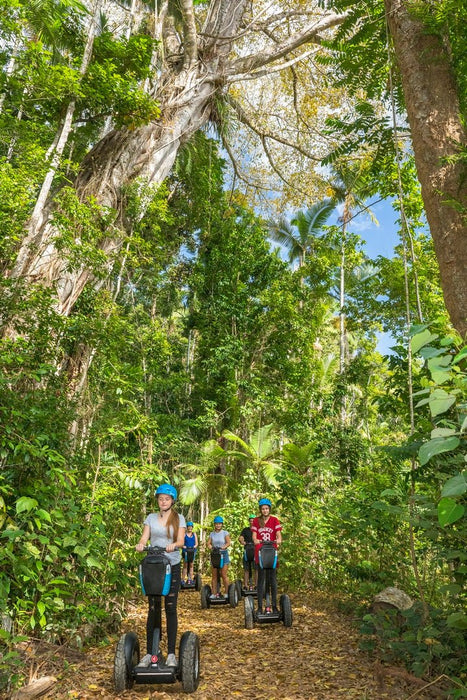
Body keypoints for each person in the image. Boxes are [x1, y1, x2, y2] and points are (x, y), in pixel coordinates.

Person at [135, 483, 186, 668]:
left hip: (171, 565)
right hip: (154, 566)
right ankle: (151, 652)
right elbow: (144, 537)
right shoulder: (150, 518)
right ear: (157, 500)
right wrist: (141, 544)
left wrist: (175, 545)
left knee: (170, 607)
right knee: (153, 608)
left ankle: (171, 653)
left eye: (167, 498)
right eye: (160, 498)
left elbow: (180, 540)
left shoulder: (179, 518)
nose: (163, 501)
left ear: (172, 501)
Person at [251, 498, 282, 614]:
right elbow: (254, 536)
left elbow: (279, 535)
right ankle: (259, 607)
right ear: (260, 510)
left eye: (267, 508)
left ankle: (274, 606)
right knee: (261, 580)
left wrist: (278, 540)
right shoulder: (256, 521)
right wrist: (256, 540)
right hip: (260, 552)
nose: (265, 510)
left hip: (271, 552)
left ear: (269, 509)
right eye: (263, 509)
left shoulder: (274, 520)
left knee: (272, 580)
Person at [207, 515, 231, 597]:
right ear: (214, 524)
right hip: (215, 555)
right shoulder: (212, 534)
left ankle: (227, 593)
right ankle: (214, 593)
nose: (218, 525)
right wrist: (211, 547)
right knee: (214, 575)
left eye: (219, 524)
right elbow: (208, 543)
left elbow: (228, 543)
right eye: (216, 524)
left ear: (222, 524)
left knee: (223, 574)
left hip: (223, 554)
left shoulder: (225, 533)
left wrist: (223, 547)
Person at [239, 515, 257, 589]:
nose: (252, 522)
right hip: (247, 549)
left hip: (255, 550)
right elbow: (241, 537)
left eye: (253, 520)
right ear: (249, 521)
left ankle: (256, 585)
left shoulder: (257, 530)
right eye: (251, 520)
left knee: (256, 568)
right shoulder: (245, 530)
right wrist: (242, 541)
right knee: (246, 569)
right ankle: (246, 585)